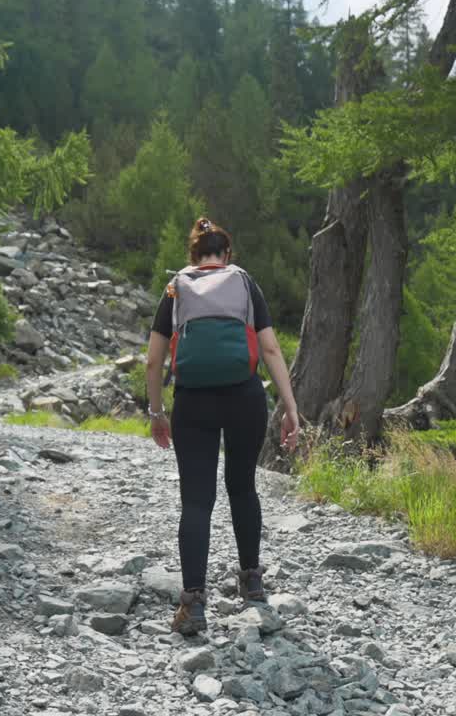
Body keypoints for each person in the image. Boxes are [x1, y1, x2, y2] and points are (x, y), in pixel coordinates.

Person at [145, 217, 300, 636]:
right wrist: (290, 408)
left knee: (196, 502)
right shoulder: (245, 283)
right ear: (226, 255)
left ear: (193, 256)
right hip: (244, 397)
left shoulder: (176, 287)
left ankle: (193, 604)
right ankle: (251, 582)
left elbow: (154, 361)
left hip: (192, 402)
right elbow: (269, 348)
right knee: (242, 487)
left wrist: (157, 413)